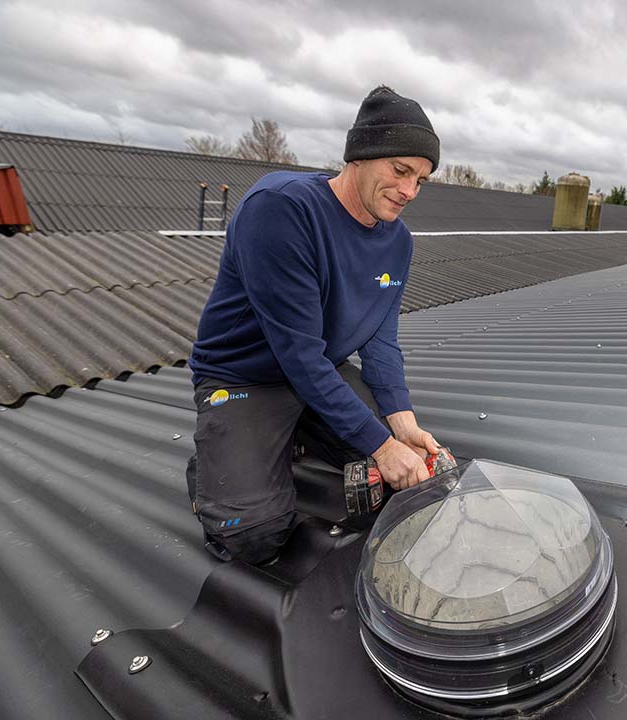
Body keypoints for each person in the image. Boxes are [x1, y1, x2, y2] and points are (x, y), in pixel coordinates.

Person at [185, 85, 440, 564]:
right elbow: (297, 355)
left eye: (421, 180)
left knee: (405, 481)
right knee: (254, 536)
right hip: (247, 378)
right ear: (360, 157)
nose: (409, 191)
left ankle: (294, 434)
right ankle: (215, 468)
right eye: (400, 170)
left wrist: (401, 424)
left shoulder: (398, 242)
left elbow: (382, 343)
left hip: (317, 373)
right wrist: (381, 445)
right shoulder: (281, 209)